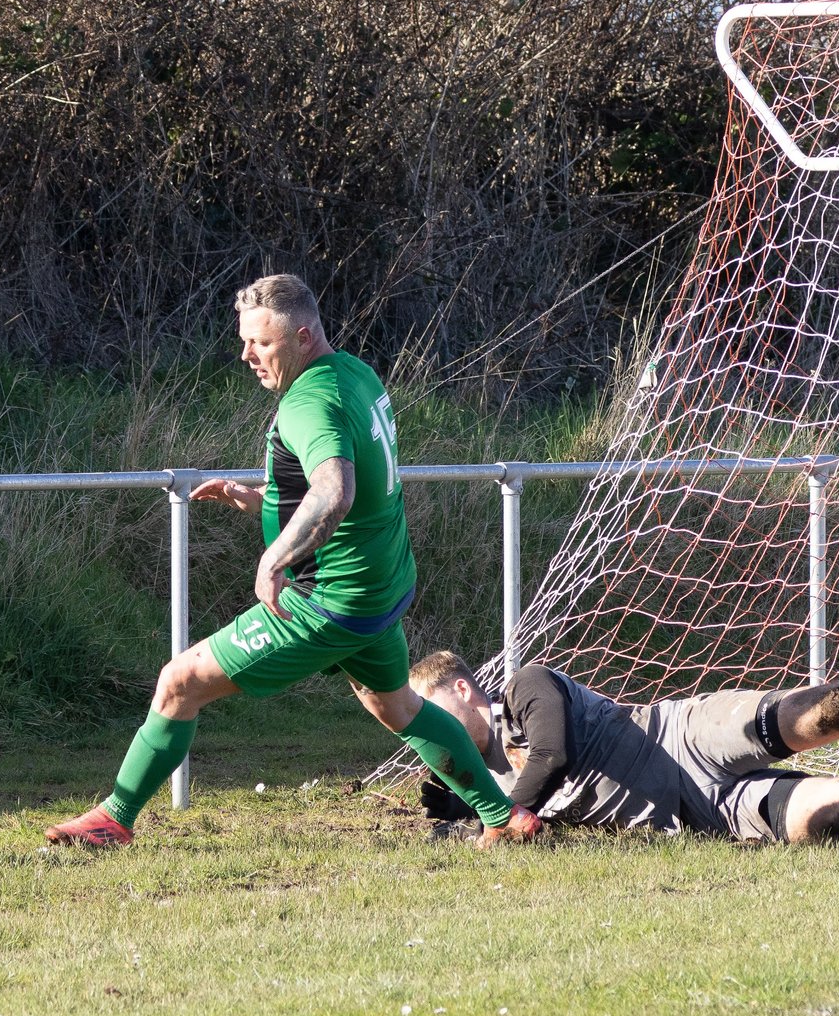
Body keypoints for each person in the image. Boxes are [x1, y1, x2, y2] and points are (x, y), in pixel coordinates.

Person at [45, 274, 535, 848]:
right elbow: (359, 489)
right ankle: (504, 817)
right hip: (379, 586)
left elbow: (335, 492)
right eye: (245, 341)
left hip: (327, 600)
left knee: (178, 683)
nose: (247, 355)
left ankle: (114, 819)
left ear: (302, 336)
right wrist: (262, 503)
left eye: (263, 343)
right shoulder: (354, 373)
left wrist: (272, 558)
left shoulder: (307, 402)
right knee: (398, 705)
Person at [402, 622, 839, 842]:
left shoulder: (526, 685)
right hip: (698, 812)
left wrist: (495, 817)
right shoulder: (483, 781)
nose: (430, 730)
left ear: (464, 689)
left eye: (433, 712)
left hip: (684, 736)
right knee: (831, 813)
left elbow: (554, 755)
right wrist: (465, 806)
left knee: (820, 714)